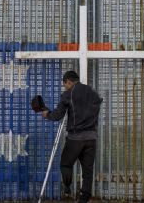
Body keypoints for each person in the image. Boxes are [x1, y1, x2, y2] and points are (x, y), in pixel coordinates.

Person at [41, 71, 102, 203]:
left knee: (65, 164)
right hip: (91, 137)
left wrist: (47, 114)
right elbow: (98, 101)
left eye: (65, 84)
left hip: (75, 138)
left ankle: (67, 188)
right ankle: (84, 199)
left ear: (68, 81)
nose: (65, 87)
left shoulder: (68, 94)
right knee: (87, 170)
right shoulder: (91, 91)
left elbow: (57, 115)